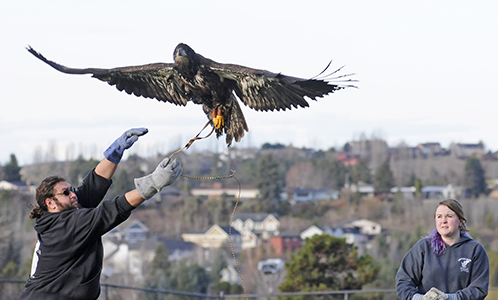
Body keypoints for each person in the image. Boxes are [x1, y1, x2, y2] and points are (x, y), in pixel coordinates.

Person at [20, 128, 182, 300]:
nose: (73, 194)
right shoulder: (68, 225)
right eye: (66, 193)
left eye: (71, 189)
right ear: (50, 203)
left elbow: (92, 187)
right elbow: (111, 211)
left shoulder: (59, 216)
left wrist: (115, 153)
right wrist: (151, 184)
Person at [396, 199, 489, 300]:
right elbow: (404, 282)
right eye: (439, 216)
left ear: (461, 221)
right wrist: (421, 298)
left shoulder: (474, 250)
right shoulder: (423, 248)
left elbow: (479, 289)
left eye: (449, 216)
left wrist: (450, 298)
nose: (443, 220)